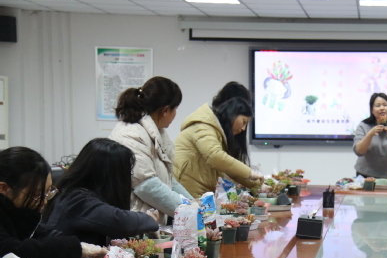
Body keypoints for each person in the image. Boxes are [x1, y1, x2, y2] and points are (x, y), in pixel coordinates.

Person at [0, 147, 105, 258]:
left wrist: (81, 252)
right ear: (3, 188)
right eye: (37, 195)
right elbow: (11, 252)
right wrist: (74, 249)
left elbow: (42, 234)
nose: (44, 201)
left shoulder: (21, 212)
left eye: (48, 191)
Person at [43, 139, 160, 247]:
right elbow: (119, 221)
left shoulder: (71, 192)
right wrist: (149, 218)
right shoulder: (78, 200)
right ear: (112, 176)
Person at [110, 76, 193, 224]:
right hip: (133, 220)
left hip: (146, 219)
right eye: (175, 109)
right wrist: (189, 211)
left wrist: (193, 205)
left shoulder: (155, 132)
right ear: (165, 110)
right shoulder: (132, 134)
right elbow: (146, 186)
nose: (175, 114)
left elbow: (167, 180)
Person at [174, 95, 264, 198]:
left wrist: (258, 185)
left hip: (197, 188)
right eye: (244, 122)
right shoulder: (204, 126)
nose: (243, 128)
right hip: (187, 188)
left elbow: (229, 169)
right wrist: (250, 173)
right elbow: (215, 156)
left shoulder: (217, 132)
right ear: (232, 114)